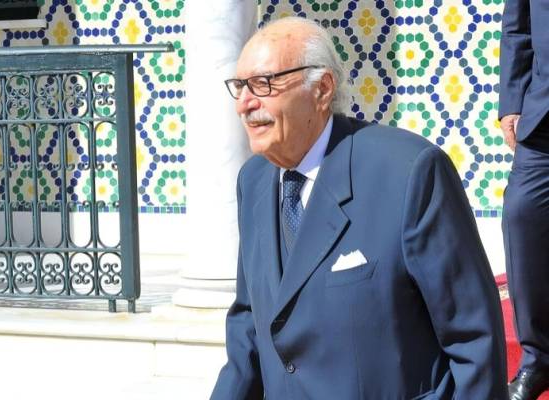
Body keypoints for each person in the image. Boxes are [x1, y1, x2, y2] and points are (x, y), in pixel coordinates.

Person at [211, 17, 507, 400]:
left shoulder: (408, 172)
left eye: (264, 84)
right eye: (240, 86)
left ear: (322, 89)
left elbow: (474, 340)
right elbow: (250, 326)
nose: (244, 104)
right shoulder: (252, 181)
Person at [500, 0, 549, 399]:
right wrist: (512, 102)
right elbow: (518, 27)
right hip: (543, 111)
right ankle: (538, 358)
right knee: (521, 214)